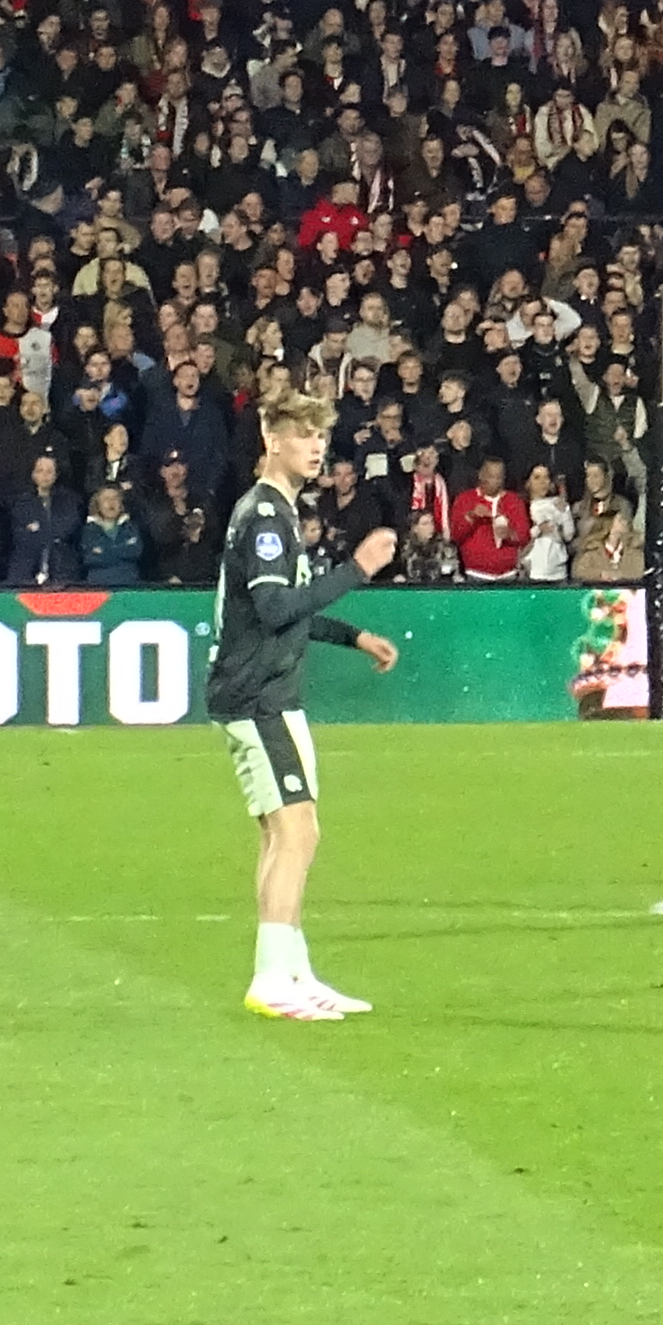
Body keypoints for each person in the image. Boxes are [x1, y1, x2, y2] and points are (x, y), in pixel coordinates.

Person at [208, 383, 402, 1022]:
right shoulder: (264, 516)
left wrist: (352, 635)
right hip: (258, 694)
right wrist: (357, 570)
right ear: (272, 440)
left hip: (269, 690)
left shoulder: (278, 511)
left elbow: (289, 611)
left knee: (285, 832)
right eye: (303, 434)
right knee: (297, 832)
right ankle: (271, 977)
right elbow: (272, 608)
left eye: (321, 435)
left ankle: (294, 970)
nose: (317, 446)